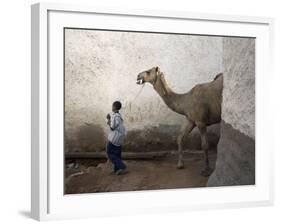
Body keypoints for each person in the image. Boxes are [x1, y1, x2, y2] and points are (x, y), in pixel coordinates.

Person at [106, 101, 127, 175]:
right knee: (117, 154)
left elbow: (112, 127)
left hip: (114, 139)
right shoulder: (118, 115)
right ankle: (116, 169)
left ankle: (122, 167)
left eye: (112, 106)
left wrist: (108, 119)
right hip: (119, 138)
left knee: (109, 153)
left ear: (114, 107)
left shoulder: (115, 116)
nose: (112, 107)